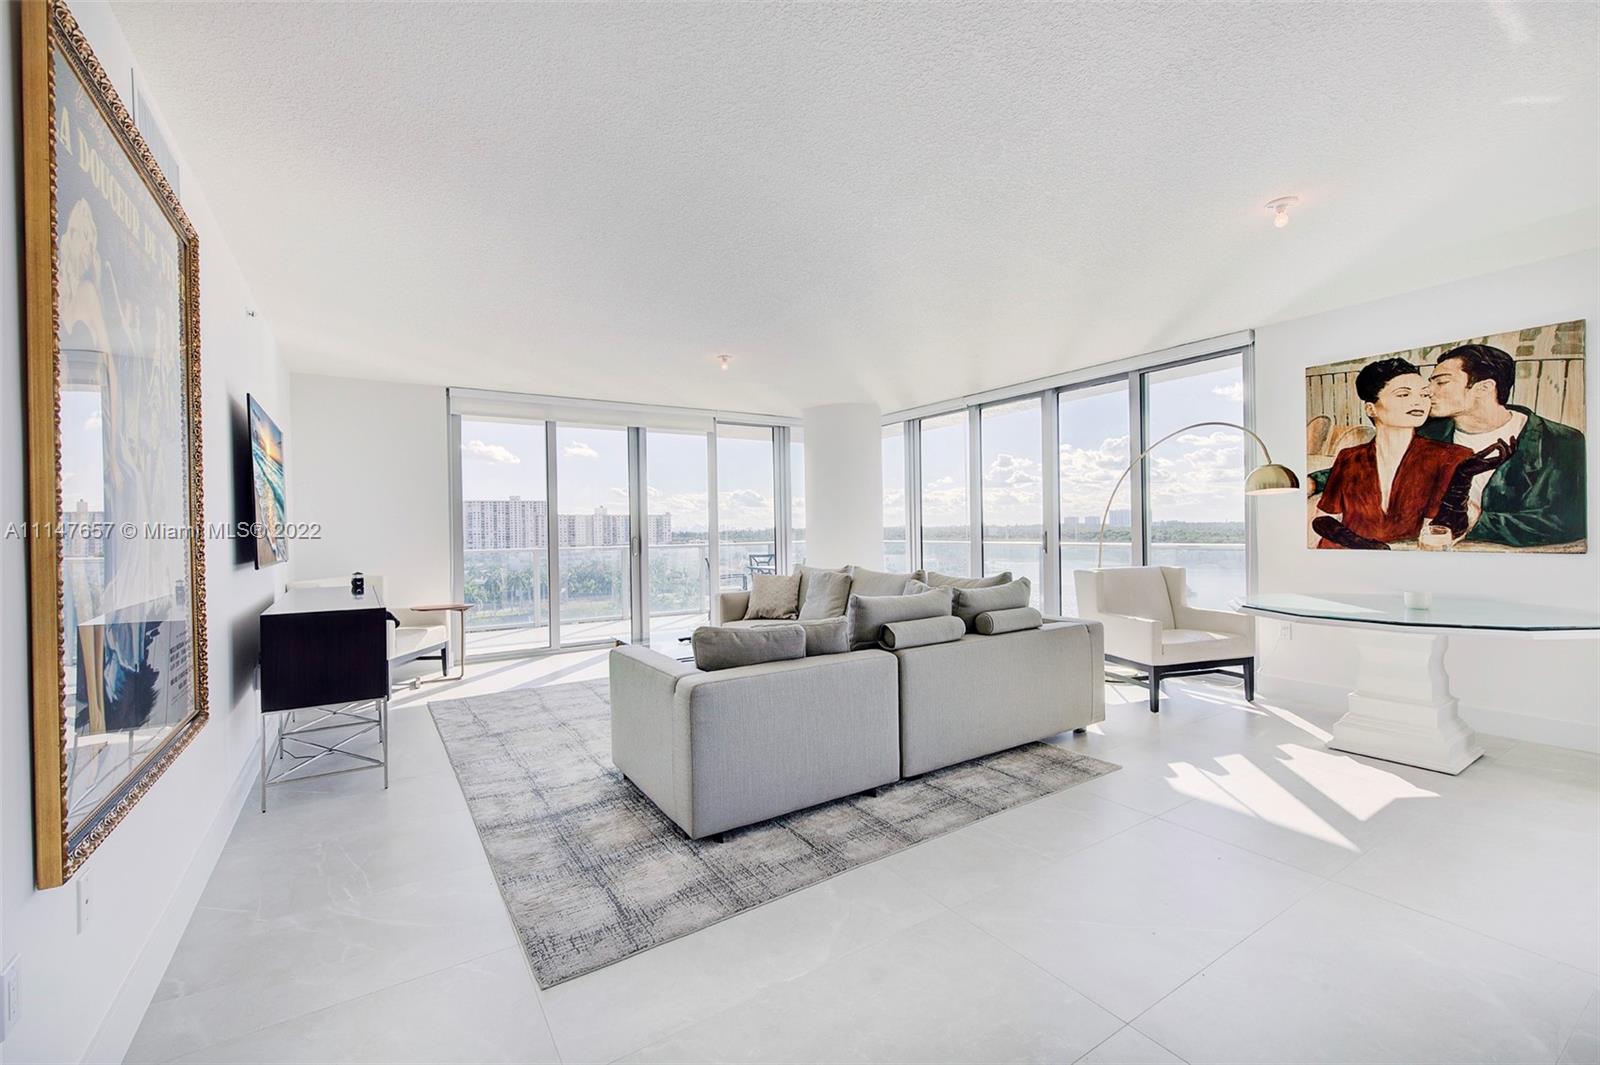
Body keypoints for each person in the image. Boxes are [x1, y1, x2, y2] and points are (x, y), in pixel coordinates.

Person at [1421, 344, 1587, 549]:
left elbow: (1569, 522)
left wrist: (1478, 520)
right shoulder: (1424, 436)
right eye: (1430, 382)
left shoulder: (1560, 441)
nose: (1428, 391)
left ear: (1484, 388)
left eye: (1441, 382)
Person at [1313, 358, 1474, 549]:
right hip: (1340, 557)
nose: (1418, 402)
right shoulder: (1349, 458)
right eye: (1404, 394)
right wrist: (1359, 543)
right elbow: (1323, 520)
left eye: (1424, 395)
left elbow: (1438, 531)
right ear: (1371, 408)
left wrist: (1462, 481)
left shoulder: (1451, 456)